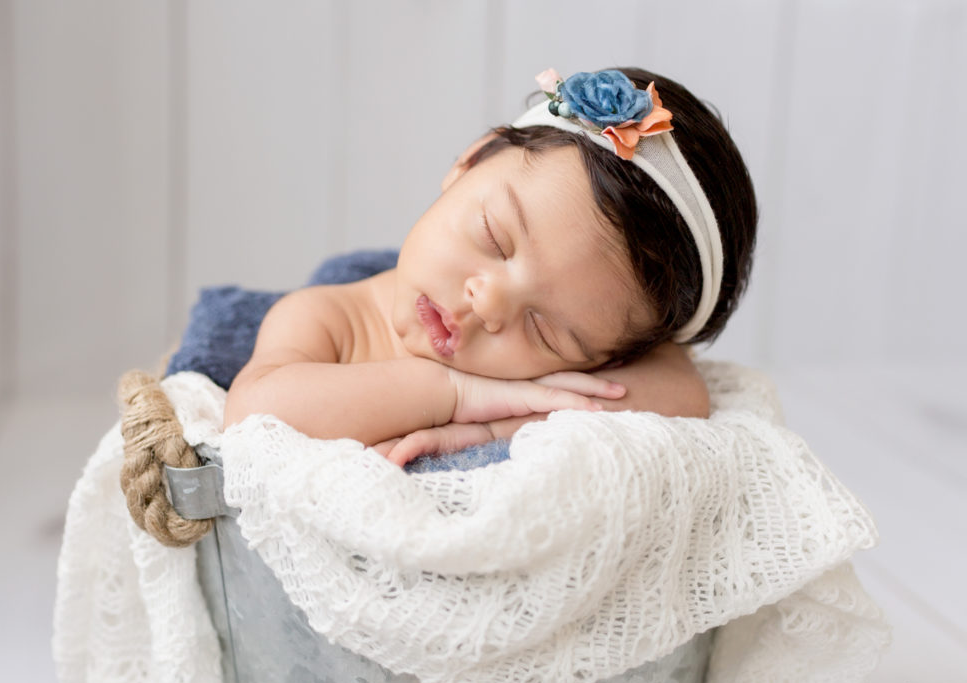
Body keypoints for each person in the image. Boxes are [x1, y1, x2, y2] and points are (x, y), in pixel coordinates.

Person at [224, 66, 757, 466]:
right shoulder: (331, 319)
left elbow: (685, 394)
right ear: (468, 163)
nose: (490, 302)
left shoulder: (571, 369)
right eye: (495, 239)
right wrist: (458, 396)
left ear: (600, 362)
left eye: (545, 330)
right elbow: (252, 413)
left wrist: (497, 425)